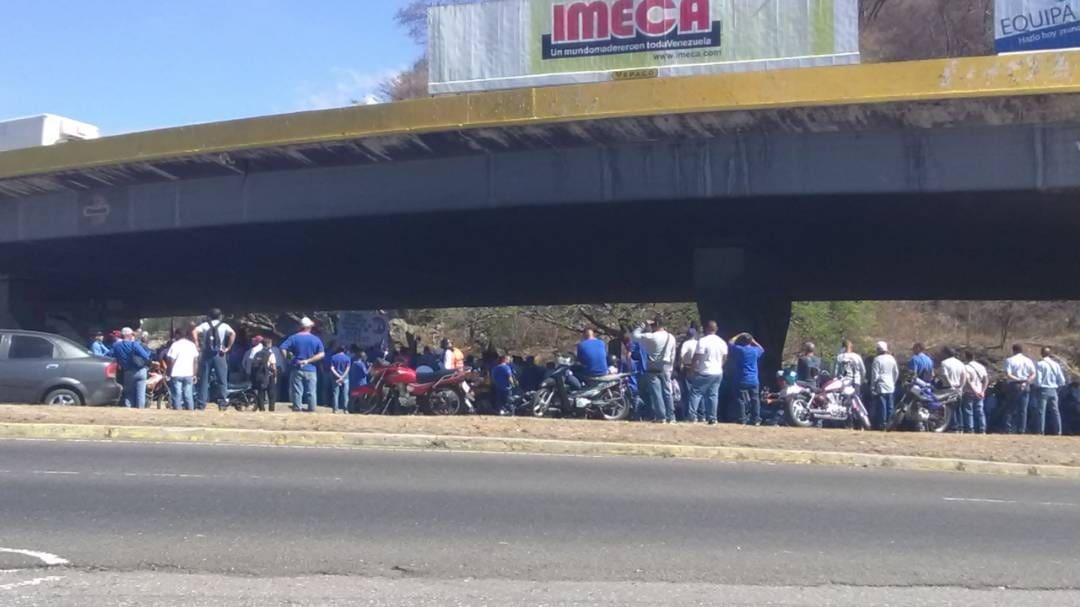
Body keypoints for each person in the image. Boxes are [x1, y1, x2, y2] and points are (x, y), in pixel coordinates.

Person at [633, 316, 677, 423]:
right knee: (667, 392)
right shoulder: (671, 337)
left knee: (657, 393)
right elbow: (673, 355)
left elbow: (634, 335)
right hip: (666, 365)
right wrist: (671, 367)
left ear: (656, 324)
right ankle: (671, 417)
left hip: (652, 365)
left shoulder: (651, 337)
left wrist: (643, 324)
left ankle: (661, 417)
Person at [193, 309, 236, 411]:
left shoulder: (204, 325)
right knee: (222, 379)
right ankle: (222, 402)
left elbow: (194, 331)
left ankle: (201, 403)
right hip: (219, 354)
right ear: (220, 316)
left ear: (209, 316)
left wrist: (197, 344)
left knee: (204, 379)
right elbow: (233, 333)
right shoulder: (224, 326)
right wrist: (228, 347)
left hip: (206, 354)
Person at [280, 317, 326, 412]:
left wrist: (289, 359)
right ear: (309, 327)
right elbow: (322, 354)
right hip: (311, 368)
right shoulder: (315, 339)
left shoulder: (293, 338)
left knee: (297, 390)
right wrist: (308, 361)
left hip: (296, 367)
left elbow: (282, 348)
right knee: (311, 391)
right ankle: (311, 409)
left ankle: (297, 408)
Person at [689, 320, 727, 425]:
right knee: (713, 395)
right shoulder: (722, 342)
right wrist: (720, 366)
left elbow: (697, 356)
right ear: (716, 329)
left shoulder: (703, 341)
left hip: (704, 371)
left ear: (706, 329)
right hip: (717, 372)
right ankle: (713, 418)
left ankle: (692, 417)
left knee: (696, 394)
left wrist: (692, 369)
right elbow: (725, 357)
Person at [111, 327, 152, 409]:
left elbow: (109, 355)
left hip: (128, 372)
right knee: (141, 394)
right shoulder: (134, 344)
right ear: (129, 335)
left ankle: (128, 410)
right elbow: (146, 356)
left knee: (129, 394)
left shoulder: (116, 346)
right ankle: (140, 410)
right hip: (140, 371)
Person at [729, 333, 764, 425]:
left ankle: (742, 418)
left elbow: (730, 343)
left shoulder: (740, 350)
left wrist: (738, 335)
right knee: (755, 399)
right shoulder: (755, 350)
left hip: (741, 378)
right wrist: (753, 341)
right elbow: (761, 349)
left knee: (740, 399)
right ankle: (756, 419)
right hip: (753, 379)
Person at [1033, 346, 1067, 436]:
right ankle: (1058, 431)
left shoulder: (1040, 364)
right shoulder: (1056, 365)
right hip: (1054, 389)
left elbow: (1038, 380)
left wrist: (1036, 387)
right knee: (1055, 411)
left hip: (1043, 389)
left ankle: (1040, 431)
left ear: (1041, 353)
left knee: (1041, 411)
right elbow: (1062, 380)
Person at [1003, 344, 1036, 434]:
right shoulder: (1028, 360)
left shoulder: (1009, 360)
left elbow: (1008, 374)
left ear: (1013, 350)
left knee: (1010, 407)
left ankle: (1008, 428)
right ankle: (1021, 429)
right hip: (1026, 384)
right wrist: (1027, 381)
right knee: (1023, 409)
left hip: (1014, 384)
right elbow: (1033, 373)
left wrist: (1018, 379)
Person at [165, 329, 199, 411]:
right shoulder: (192, 345)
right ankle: (190, 410)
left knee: (177, 394)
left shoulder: (175, 345)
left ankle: (178, 411)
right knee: (188, 394)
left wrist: (168, 372)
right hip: (188, 373)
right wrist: (194, 374)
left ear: (177, 335)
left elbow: (171, 360)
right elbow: (195, 361)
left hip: (176, 373)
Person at [870, 341, 899, 430]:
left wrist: (872, 386)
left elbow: (875, 375)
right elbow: (896, 372)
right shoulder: (892, 358)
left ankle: (882, 424)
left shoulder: (877, 359)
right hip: (890, 385)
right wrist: (893, 382)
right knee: (890, 406)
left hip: (881, 385)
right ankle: (890, 424)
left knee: (882, 406)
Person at [250, 335, 280, 413]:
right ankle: (271, 409)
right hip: (269, 376)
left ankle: (262, 409)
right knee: (271, 394)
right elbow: (273, 367)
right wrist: (275, 375)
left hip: (259, 376)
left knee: (261, 393)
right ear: (269, 344)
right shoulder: (270, 354)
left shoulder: (257, 353)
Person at [961, 350, 988, 435]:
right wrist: (983, 391)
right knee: (980, 411)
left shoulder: (966, 367)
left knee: (969, 411)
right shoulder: (981, 367)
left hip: (969, 392)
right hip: (980, 392)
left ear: (966, 357)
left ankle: (970, 429)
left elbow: (967, 381)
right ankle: (982, 429)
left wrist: (974, 391)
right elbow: (986, 379)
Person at [678, 328, 699, 421]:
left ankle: (688, 414)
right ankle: (699, 414)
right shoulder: (698, 343)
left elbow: (681, 355)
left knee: (687, 393)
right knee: (697, 393)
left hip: (688, 368)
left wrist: (681, 364)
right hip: (698, 369)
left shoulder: (686, 344)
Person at [328, 345, 351, 414]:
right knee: (345, 394)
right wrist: (342, 377)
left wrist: (338, 376)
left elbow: (332, 368)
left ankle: (335, 409)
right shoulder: (347, 358)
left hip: (335, 378)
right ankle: (345, 409)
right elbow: (347, 369)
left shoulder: (333, 357)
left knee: (335, 394)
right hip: (345, 378)